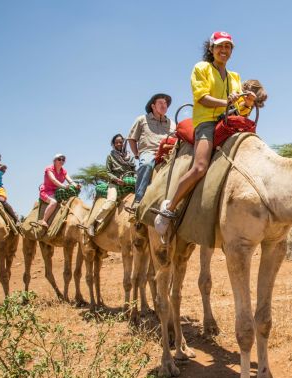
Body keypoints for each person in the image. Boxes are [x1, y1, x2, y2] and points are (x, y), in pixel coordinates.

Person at [154, 31, 257, 236]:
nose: (224, 50)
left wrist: (248, 104)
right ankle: (169, 208)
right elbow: (201, 98)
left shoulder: (235, 77)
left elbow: (240, 110)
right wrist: (226, 102)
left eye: (228, 47)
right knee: (200, 167)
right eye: (220, 46)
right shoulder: (201, 68)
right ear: (211, 49)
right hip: (207, 123)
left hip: (229, 123)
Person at [127, 93, 175, 210]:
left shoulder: (172, 123)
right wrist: (137, 154)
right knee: (146, 164)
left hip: (169, 151)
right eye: (161, 103)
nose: (164, 106)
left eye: (166, 104)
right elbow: (132, 139)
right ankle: (138, 200)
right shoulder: (142, 119)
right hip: (149, 152)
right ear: (153, 106)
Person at [86, 134, 136, 237]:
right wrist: (116, 180)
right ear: (113, 144)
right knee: (111, 201)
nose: (119, 144)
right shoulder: (110, 156)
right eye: (116, 142)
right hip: (115, 183)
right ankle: (93, 223)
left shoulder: (130, 156)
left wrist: (133, 179)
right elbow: (108, 172)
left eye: (120, 142)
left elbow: (134, 170)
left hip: (129, 183)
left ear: (123, 143)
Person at [36, 154, 79, 228]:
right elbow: (53, 180)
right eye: (59, 159)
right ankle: (44, 220)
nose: (61, 161)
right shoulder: (49, 169)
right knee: (54, 202)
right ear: (54, 161)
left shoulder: (63, 171)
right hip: (47, 191)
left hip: (57, 191)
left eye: (63, 160)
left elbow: (70, 181)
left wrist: (76, 185)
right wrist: (64, 186)